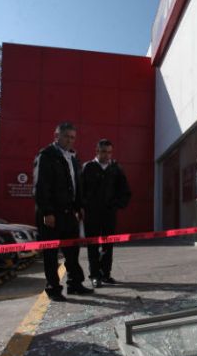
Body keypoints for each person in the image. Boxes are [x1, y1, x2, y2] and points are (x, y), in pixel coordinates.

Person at [33, 122, 92, 301]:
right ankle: (54, 289)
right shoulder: (46, 156)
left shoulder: (72, 158)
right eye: (66, 136)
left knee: (72, 253)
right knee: (51, 255)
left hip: (69, 213)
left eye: (73, 137)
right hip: (51, 214)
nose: (70, 140)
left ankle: (75, 284)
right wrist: (47, 212)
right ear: (56, 136)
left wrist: (79, 206)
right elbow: (40, 187)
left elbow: (76, 186)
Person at [81, 139, 131, 288]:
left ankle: (106, 274)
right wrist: (82, 208)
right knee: (93, 246)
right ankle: (95, 275)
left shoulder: (116, 169)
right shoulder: (88, 167)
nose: (107, 155)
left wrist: (117, 205)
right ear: (97, 151)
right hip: (92, 214)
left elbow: (125, 191)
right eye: (103, 151)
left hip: (109, 214)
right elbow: (80, 191)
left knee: (108, 245)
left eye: (109, 152)